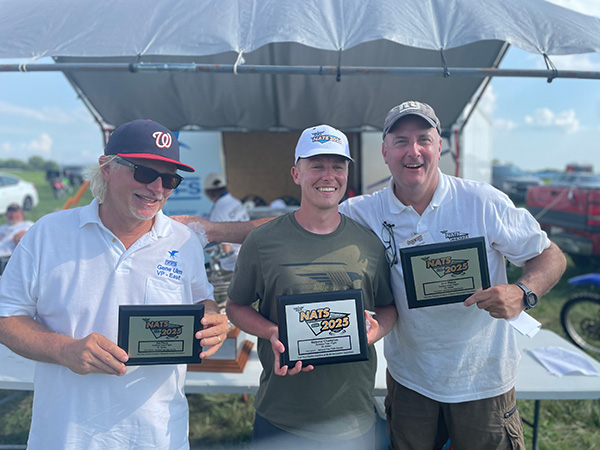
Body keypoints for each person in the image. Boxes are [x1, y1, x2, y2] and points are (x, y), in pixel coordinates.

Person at [175, 102, 567, 450]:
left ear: (439, 146)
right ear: (384, 152)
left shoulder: (482, 202)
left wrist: (523, 292)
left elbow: (550, 255)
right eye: (400, 141)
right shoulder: (365, 211)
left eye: (423, 139)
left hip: (483, 382)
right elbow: (292, 225)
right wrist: (213, 229)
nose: (413, 151)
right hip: (412, 383)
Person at [0, 119, 229, 450]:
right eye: (145, 172)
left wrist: (212, 321)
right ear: (106, 168)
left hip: (159, 437)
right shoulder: (48, 234)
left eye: (169, 178)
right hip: (65, 437)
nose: (157, 188)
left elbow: (201, 302)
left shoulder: (183, 241)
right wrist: (65, 350)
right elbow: (6, 318)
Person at [225, 124, 397, 449]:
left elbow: (388, 307)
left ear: (347, 173)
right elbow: (236, 306)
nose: (328, 175)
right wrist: (271, 331)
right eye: (317, 165)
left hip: (352, 416)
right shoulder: (262, 242)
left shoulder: (369, 244)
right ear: (296, 173)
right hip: (281, 417)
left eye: (338, 165)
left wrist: (374, 332)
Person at [203, 172, 250, 271]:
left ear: (207, 192)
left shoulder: (218, 212)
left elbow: (226, 249)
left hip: (233, 266)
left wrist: (213, 248)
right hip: (249, 254)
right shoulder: (235, 202)